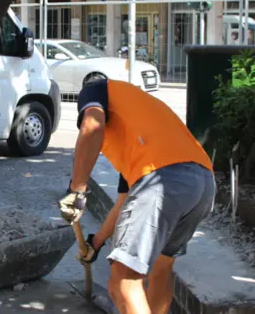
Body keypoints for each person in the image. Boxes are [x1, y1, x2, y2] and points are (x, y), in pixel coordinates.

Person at [58, 78, 216, 314]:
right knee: (161, 270)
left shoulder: (97, 88)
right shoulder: (140, 122)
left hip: (162, 179)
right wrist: (96, 243)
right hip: (202, 183)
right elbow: (124, 202)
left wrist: (77, 189)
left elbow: (92, 126)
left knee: (123, 281)